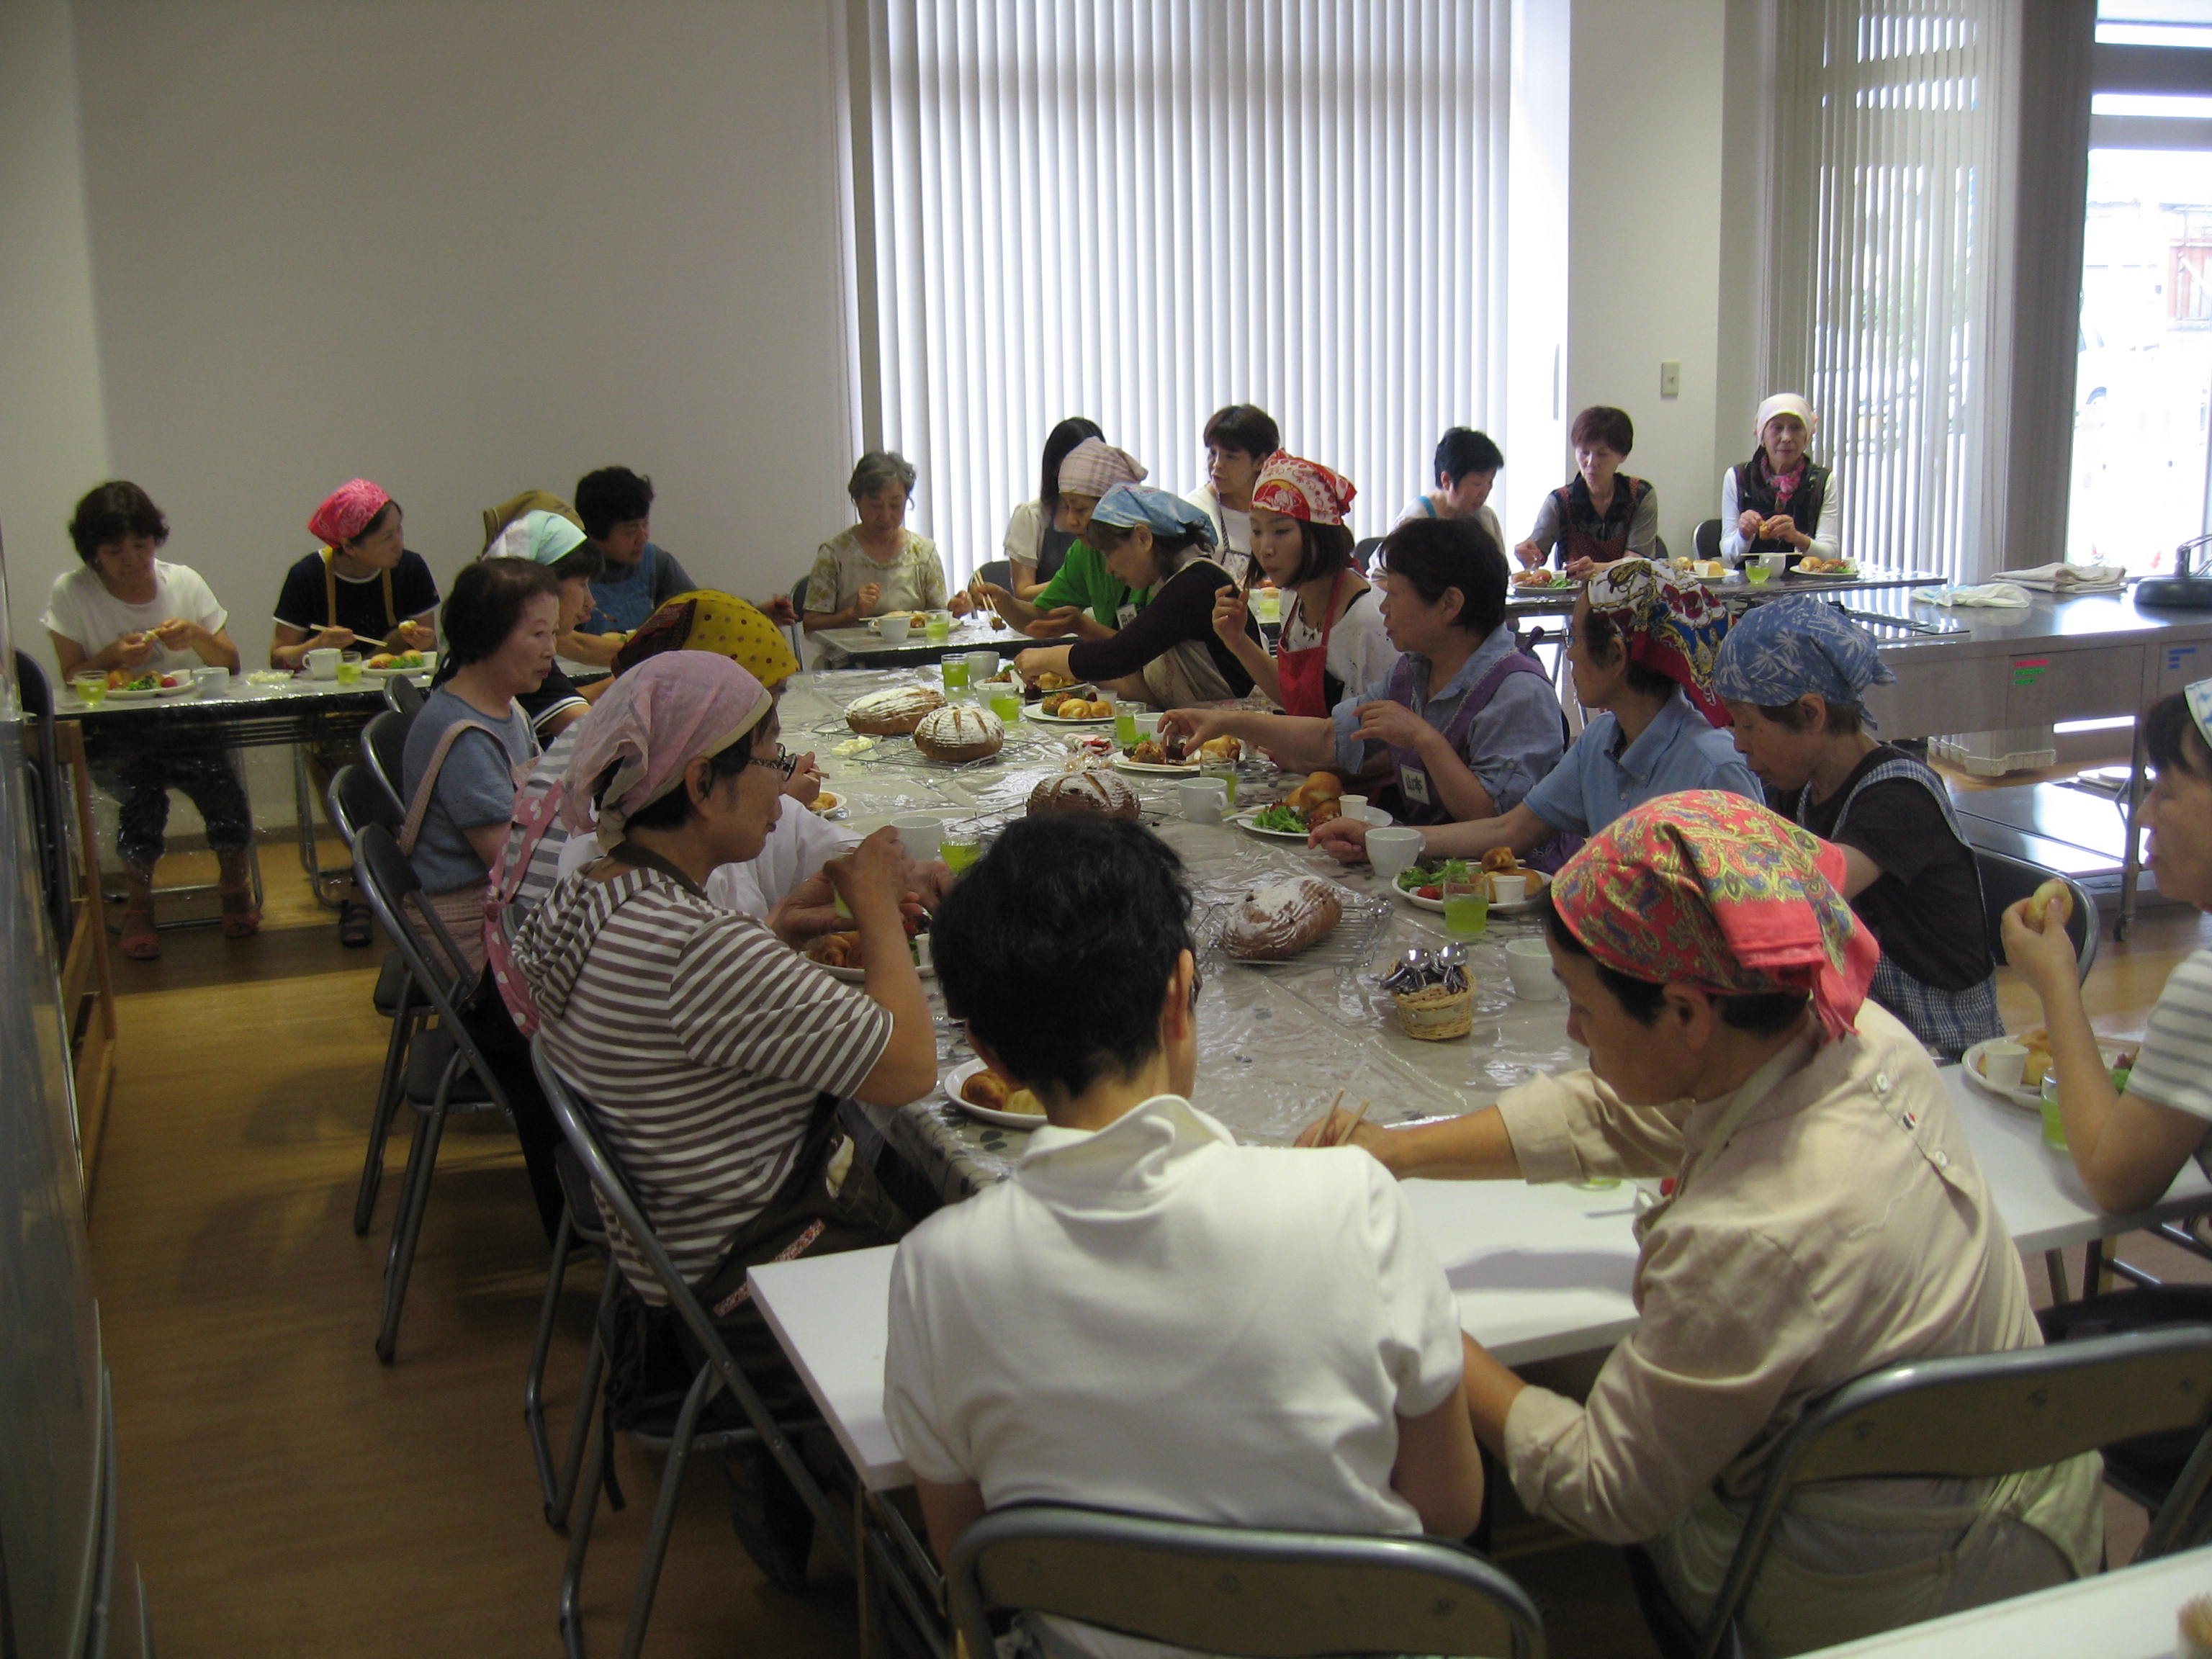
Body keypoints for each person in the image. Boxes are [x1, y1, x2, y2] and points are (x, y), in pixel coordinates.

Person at [1300, 793, 2102, 1656]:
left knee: (1536, 1381)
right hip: (2034, 1493)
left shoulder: (1751, 1234)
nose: (1571, 1031)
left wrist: (1418, 1311)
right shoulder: (1854, 1031)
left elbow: (1605, 1489)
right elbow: (1631, 1112)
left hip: (1894, 1597)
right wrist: (1402, 1151)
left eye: (1582, 1006)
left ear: (1686, 1012)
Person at [886, 816, 1485, 1659]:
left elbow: (974, 1563)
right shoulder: (1353, 1199)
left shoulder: (936, 1269)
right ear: (1180, 992)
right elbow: (1449, 1508)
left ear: (990, 1053)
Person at [513, 652, 935, 1588]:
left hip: (671, 1254)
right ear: (702, 783)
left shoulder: (591, 894)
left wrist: (771, 936)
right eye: (773, 761)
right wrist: (874, 909)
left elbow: (675, 1007)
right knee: (984, 1252)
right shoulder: (690, 949)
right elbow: (908, 1069)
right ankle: (950, 1577)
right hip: (755, 1272)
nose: (785, 785)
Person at [1312, 558, 1755, 871]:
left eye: (1576, 639)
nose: (1570, 654)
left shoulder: (1714, 769)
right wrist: (1382, 840)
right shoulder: (1603, 739)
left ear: (1617, 655)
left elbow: (1757, 911)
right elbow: (1510, 829)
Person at [1715, 596, 1998, 1060]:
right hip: (1864, 1029)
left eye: (1747, 724)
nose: (1739, 744)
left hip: (1943, 1049)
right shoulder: (1797, 789)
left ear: (1811, 713)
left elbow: (1813, 890)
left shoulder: (1901, 797)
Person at [1163, 517, 1563, 826]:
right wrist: (1225, 722)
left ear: (1449, 604)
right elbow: (1329, 737)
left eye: (1395, 594)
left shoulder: (1517, 693)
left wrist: (1425, 739)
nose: (1384, 607)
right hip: (1429, 862)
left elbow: (1495, 822)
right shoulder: (1413, 671)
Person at [398, 557, 569, 1237]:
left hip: (505, 919)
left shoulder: (502, 708)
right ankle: (580, 1210)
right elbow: (513, 865)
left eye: (554, 632)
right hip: (479, 950)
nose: (553, 649)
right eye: (538, 634)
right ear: (487, 636)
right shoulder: (463, 734)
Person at [2003, 683, 2212, 1213]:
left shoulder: (2205, 987)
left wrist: (2057, 983)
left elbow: (2115, 1179)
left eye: (2166, 792)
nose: (2143, 816)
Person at [45, 481, 253, 958]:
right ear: (93, 552)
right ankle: (140, 906)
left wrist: (197, 636)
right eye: (115, 551)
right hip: (113, 732)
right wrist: (112, 656)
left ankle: (234, 889)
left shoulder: (183, 582)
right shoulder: (72, 591)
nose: (132, 560)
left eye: (141, 545)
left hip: (187, 724)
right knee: (141, 797)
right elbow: (73, 676)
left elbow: (230, 664)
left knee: (221, 787)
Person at [1012, 485, 1257, 707]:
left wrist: (1045, 658)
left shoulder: (1194, 583)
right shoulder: (1176, 581)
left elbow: (1118, 656)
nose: (1109, 569)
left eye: (1109, 554)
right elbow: (1136, 665)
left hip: (1241, 727)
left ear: (1143, 538)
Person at [1209, 452, 1395, 716]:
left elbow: (1376, 734)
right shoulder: (1292, 598)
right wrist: (1237, 640)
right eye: (1257, 531)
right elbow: (1292, 698)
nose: (1265, 548)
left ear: (1321, 534)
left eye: (1281, 531)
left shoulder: (1369, 621)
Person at [971, 436, 1151, 639]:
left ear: (1114, 506)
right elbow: (1043, 617)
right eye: (1066, 507)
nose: (1071, 520)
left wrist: (1082, 627)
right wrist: (1005, 602)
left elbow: (1147, 649)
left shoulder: (1154, 556)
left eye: (1080, 509)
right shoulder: (1085, 552)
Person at [270, 477, 441, 671]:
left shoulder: (410, 568)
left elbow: (431, 652)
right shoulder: (307, 576)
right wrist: (317, 645)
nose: (399, 544)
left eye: (399, 529)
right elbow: (277, 660)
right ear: (349, 546)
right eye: (387, 538)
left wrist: (426, 644)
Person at [803, 451, 971, 631]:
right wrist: (853, 613)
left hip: (913, 649)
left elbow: (937, 618)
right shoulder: (835, 554)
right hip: (850, 650)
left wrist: (955, 610)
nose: (885, 516)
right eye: (875, 506)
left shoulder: (923, 553)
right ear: (857, 501)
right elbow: (811, 624)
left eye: (895, 505)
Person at [1515, 405, 1658, 576]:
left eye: (1602, 454)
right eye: (1584, 453)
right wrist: (1528, 554)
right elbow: (1536, 554)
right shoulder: (1559, 500)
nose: (1591, 463)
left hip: (1628, 590)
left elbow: (1637, 562)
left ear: (1623, 455)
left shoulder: (1640, 495)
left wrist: (1596, 570)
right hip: (1574, 590)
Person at [572, 466, 697, 643]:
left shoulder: (656, 562)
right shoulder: (568, 572)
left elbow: (698, 615)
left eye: (645, 524)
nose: (643, 538)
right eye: (630, 531)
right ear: (595, 533)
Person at [1722, 394, 1840, 569]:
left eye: (1796, 428)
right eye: (1777, 428)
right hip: (1748, 583)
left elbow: (1829, 554)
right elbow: (1729, 555)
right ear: (1762, 436)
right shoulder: (1738, 477)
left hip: (1804, 584)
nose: (1786, 438)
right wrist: (1743, 535)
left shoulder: (1822, 481)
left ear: (1807, 438)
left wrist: (1796, 537)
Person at [1002, 416, 1104, 600]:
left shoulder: (1111, 514)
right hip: (1049, 615)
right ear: (1055, 466)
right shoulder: (1031, 516)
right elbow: (1023, 593)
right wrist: (1078, 580)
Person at [1183, 403, 1281, 584]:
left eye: (1230, 456)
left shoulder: (1279, 510)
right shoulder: (1192, 513)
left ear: (1260, 461)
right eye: (1213, 453)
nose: (1217, 464)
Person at [1397, 426, 1506, 559]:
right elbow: (1383, 572)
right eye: (1477, 483)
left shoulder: (1486, 517)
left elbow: (1501, 569)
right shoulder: (1415, 520)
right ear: (1447, 480)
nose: (1484, 492)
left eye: (1490, 482)